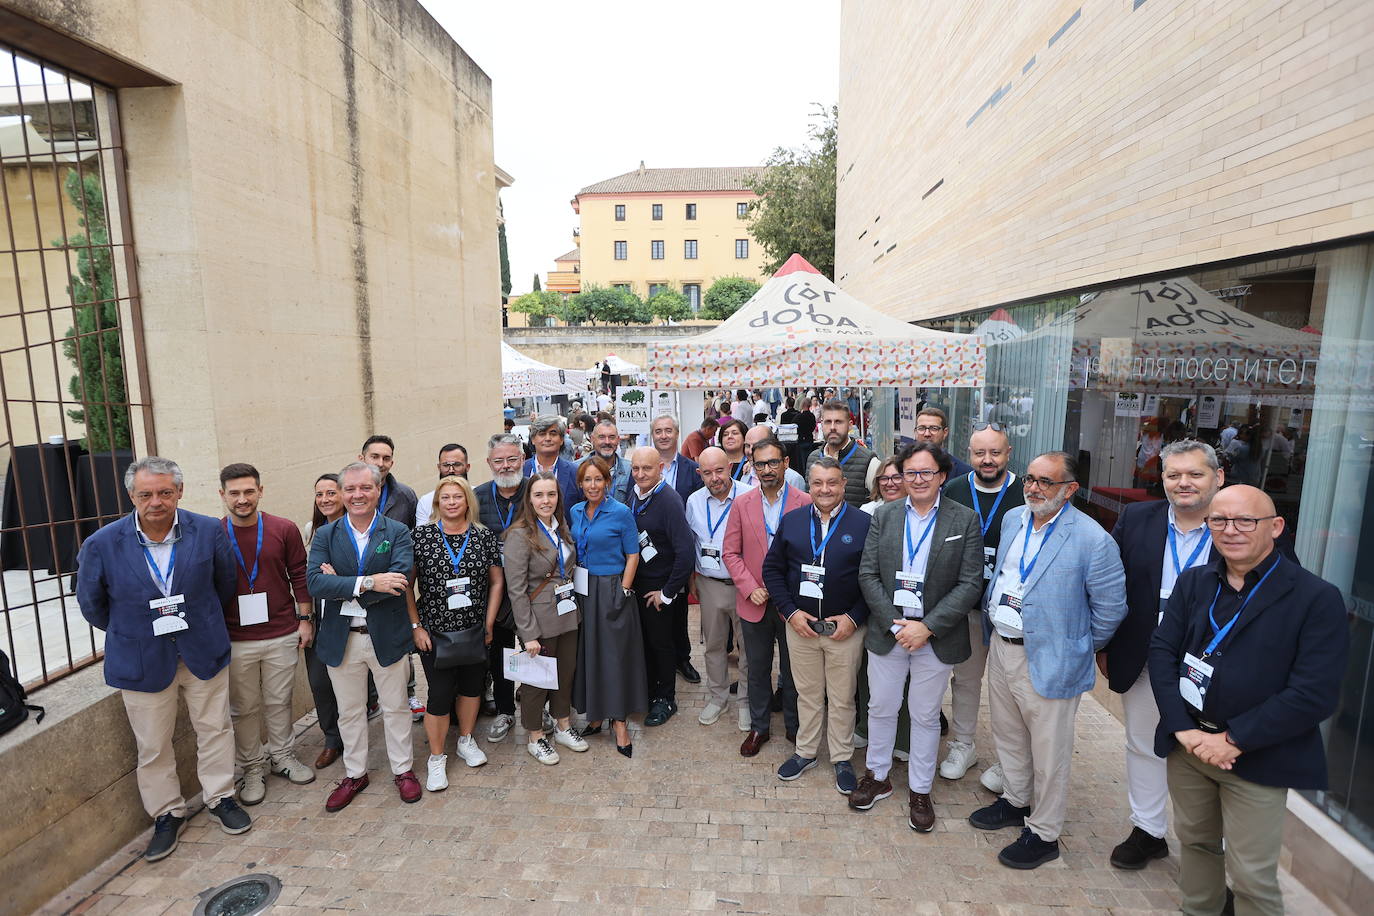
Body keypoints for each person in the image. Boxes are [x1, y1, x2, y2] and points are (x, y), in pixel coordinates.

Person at [1149, 485, 1346, 916]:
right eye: (1219, 520)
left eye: (1245, 521)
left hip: (1256, 757)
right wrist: (1182, 728)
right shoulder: (1196, 581)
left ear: (1275, 527)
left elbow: (1314, 694)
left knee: (1252, 876)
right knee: (1197, 844)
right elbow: (1163, 652)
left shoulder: (1315, 597)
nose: (1231, 530)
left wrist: (1233, 739)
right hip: (1190, 748)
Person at [77, 456, 251, 862]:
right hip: (141, 658)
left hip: (201, 650)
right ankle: (167, 813)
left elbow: (225, 583)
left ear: (179, 492)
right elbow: (92, 604)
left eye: (164, 493)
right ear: (131, 495)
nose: (156, 501)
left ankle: (221, 797)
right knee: (153, 745)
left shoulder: (207, 530)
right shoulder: (102, 543)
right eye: (146, 494)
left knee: (215, 729)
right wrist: (136, 629)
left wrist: (195, 622)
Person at [969, 451, 1127, 869]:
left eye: (1046, 482)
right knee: (1008, 734)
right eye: (1031, 479)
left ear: (1070, 489)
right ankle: (1017, 800)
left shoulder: (1093, 539)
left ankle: (1044, 832)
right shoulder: (1013, 519)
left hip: (1051, 658)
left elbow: (1110, 609)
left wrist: (1075, 648)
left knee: (1050, 750)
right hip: (1003, 645)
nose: (1034, 488)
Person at [1095, 439, 1223, 869]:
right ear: (1162, 479)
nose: (1183, 483)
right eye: (1174, 475)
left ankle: (1211, 856)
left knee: (1207, 761)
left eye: (1195, 474)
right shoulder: (1136, 518)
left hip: (1215, 669)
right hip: (1148, 658)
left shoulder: (1238, 525)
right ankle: (1148, 830)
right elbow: (1111, 585)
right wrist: (1108, 643)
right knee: (1142, 744)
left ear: (1218, 478)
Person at [853, 443, 984, 829]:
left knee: (925, 715)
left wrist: (927, 627)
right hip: (889, 630)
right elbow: (868, 575)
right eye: (911, 473)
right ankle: (877, 777)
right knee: (881, 707)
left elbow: (970, 582)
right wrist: (896, 623)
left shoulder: (964, 520)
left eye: (926, 472)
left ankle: (920, 789)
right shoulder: (886, 516)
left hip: (934, 636)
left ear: (942, 476)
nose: (918, 480)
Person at [306, 462, 421, 811]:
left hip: (387, 634)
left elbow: (399, 581)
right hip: (342, 637)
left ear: (377, 490)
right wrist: (369, 581)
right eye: (350, 489)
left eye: (365, 488)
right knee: (350, 711)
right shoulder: (325, 535)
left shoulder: (398, 531)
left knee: (396, 707)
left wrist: (340, 582)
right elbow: (315, 583)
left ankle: (403, 770)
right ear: (342, 494)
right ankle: (355, 773)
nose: (357, 495)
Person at [762, 457, 872, 788]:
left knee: (842, 697)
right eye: (818, 483)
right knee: (807, 694)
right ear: (809, 486)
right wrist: (790, 612)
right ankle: (806, 752)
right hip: (801, 628)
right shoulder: (793, 521)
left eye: (832, 482)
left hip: (845, 630)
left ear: (843, 485)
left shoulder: (863, 524)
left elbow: (873, 578)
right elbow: (772, 570)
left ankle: (841, 757)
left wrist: (854, 618)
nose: (825, 489)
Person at [217, 463, 315, 807]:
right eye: (234, 493)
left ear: (260, 491)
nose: (242, 499)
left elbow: (299, 576)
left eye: (248, 491)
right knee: (243, 709)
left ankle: (283, 756)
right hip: (235, 638)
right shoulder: (214, 534)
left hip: (281, 631)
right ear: (222, 495)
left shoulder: (283, 529)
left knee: (279, 701)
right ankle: (253, 767)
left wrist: (305, 620)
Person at [939, 423, 1025, 788]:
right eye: (980, 453)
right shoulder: (954, 490)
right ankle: (963, 744)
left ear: (1008, 453)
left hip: (1014, 613)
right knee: (967, 680)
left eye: (995, 452)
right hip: (967, 607)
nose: (987, 460)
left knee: (1013, 690)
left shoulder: (1026, 491)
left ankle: (1013, 763)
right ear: (969, 453)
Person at [407, 476, 504, 790]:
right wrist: (416, 626)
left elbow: (497, 582)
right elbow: (407, 586)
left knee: (472, 688)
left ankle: (465, 739)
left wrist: (489, 624)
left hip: (475, 629)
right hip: (434, 632)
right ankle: (437, 758)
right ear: (437, 502)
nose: (451, 502)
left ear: (467, 502)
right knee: (439, 694)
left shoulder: (483, 536)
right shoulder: (420, 537)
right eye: (445, 497)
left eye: (457, 497)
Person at [724, 437, 809, 755]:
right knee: (757, 669)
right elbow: (730, 553)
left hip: (793, 605)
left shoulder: (805, 501)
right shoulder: (741, 504)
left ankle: (794, 726)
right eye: (760, 464)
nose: (767, 469)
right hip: (754, 602)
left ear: (786, 463)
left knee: (794, 670)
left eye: (774, 462)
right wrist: (749, 586)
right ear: (752, 467)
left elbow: (812, 554)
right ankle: (759, 728)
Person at [505, 472, 588, 765]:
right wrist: (527, 633)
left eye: (551, 494)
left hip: (566, 614)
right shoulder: (519, 534)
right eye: (539, 495)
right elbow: (515, 589)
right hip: (537, 620)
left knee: (565, 673)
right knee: (536, 681)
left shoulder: (561, 526)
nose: (546, 500)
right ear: (529, 499)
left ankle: (563, 725)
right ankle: (536, 736)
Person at [570, 457, 645, 756]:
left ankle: (620, 722)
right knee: (589, 654)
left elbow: (633, 555)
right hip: (582, 590)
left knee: (614, 657)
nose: (592, 485)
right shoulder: (575, 512)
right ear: (580, 484)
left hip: (612, 588)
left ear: (608, 482)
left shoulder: (621, 512)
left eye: (598, 479)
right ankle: (596, 714)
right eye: (587, 480)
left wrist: (624, 590)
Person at [301, 474, 376, 770]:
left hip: (353, 617)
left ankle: (355, 738)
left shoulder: (355, 531)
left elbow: (355, 580)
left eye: (331, 492)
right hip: (321, 617)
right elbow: (311, 581)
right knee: (320, 682)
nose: (325, 500)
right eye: (319, 494)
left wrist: (339, 582)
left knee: (352, 685)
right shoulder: (312, 530)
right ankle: (332, 739)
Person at [626, 446, 696, 727]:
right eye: (636, 469)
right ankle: (651, 692)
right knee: (646, 644)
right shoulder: (634, 495)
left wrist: (667, 593)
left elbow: (686, 553)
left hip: (660, 589)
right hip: (640, 584)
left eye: (647, 469)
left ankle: (666, 699)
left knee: (662, 645)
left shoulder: (669, 500)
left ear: (661, 469)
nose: (640, 474)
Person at [685, 447, 752, 728]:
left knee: (748, 647)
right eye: (708, 473)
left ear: (730, 467)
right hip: (709, 584)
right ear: (700, 474)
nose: (715, 478)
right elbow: (691, 542)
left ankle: (747, 702)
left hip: (744, 585)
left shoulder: (749, 496)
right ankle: (718, 698)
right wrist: (693, 580)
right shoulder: (694, 502)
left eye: (720, 470)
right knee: (713, 646)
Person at [473, 434, 526, 742]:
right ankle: (505, 710)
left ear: (522, 459)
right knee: (501, 653)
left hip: (532, 590)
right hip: (494, 591)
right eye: (499, 460)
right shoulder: (477, 497)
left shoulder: (537, 491)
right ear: (489, 463)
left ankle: (538, 704)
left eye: (512, 459)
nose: (506, 466)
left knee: (536, 649)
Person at [805, 399, 880, 508]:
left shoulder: (869, 461)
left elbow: (882, 504)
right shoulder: (813, 458)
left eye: (838, 422)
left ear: (850, 425)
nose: (832, 427)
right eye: (828, 422)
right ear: (821, 424)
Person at [359, 435, 419, 529]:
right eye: (375, 457)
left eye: (386, 458)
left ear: (391, 463)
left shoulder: (406, 495)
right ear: (362, 459)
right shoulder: (346, 494)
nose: (380, 464)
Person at [524, 416, 582, 508]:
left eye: (553, 434)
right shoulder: (521, 470)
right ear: (533, 439)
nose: (547, 438)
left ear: (562, 440)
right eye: (542, 434)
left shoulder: (576, 472)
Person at [740, 424, 807, 492]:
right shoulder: (746, 473)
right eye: (747, 446)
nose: (750, 451)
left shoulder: (793, 479)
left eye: (756, 445)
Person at [415, 443, 471, 527]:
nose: (451, 470)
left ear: (467, 467)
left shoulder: (479, 495)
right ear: (439, 467)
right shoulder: (426, 501)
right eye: (446, 465)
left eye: (457, 465)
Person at [652, 414, 702, 504]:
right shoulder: (641, 469)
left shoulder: (694, 470)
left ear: (677, 434)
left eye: (668, 431)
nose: (663, 436)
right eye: (658, 432)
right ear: (652, 435)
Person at [580, 418, 632, 505]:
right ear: (592, 439)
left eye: (612, 437)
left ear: (618, 440)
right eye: (601, 437)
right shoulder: (577, 468)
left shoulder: (630, 469)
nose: (607, 442)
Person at [913, 407, 974, 477]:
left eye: (934, 428)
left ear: (945, 433)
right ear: (915, 432)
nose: (927, 434)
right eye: (921, 428)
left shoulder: (964, 472)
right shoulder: (902, 467)